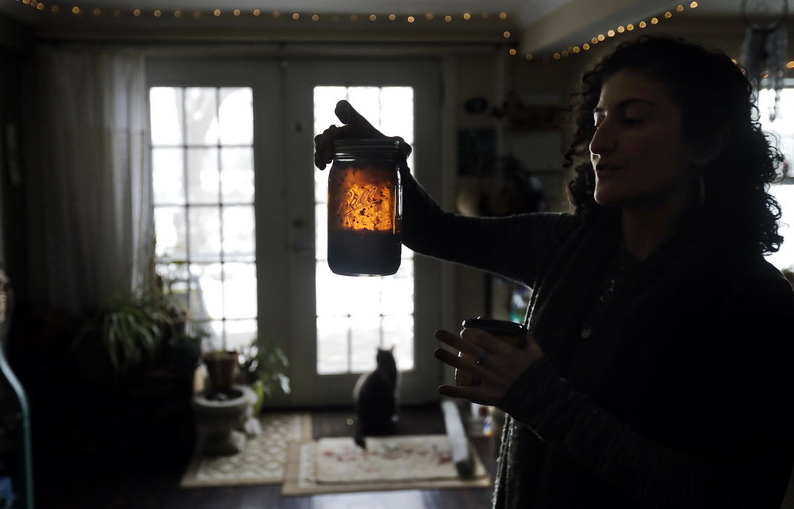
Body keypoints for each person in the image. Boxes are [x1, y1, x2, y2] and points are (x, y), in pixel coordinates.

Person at [313, 35, 794, 508]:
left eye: (632, 119)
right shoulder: (566, 244)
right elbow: (439, 232)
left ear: (706, 143)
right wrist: (384, 164)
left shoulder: (751, 301)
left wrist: (536, 397)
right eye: (598, 119)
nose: (600, 142)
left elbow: (731, 496)